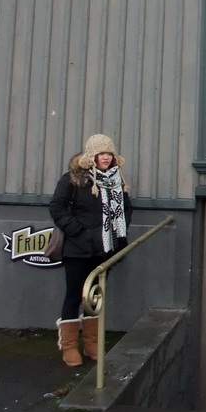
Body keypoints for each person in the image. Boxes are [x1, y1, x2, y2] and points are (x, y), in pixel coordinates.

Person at [49, 134, 133, 366]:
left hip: (105, 249)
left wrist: (119, 231)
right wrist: (78, 231)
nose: (106, 158)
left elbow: (126, 208)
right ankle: (68, 346)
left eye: (109, 154)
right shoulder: (73, 179)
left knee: (95, 297)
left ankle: (92, 343)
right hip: (77, 249)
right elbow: (56, 207)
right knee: (74, 295)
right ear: (91, 156)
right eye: (101, 154)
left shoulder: (117, 180)